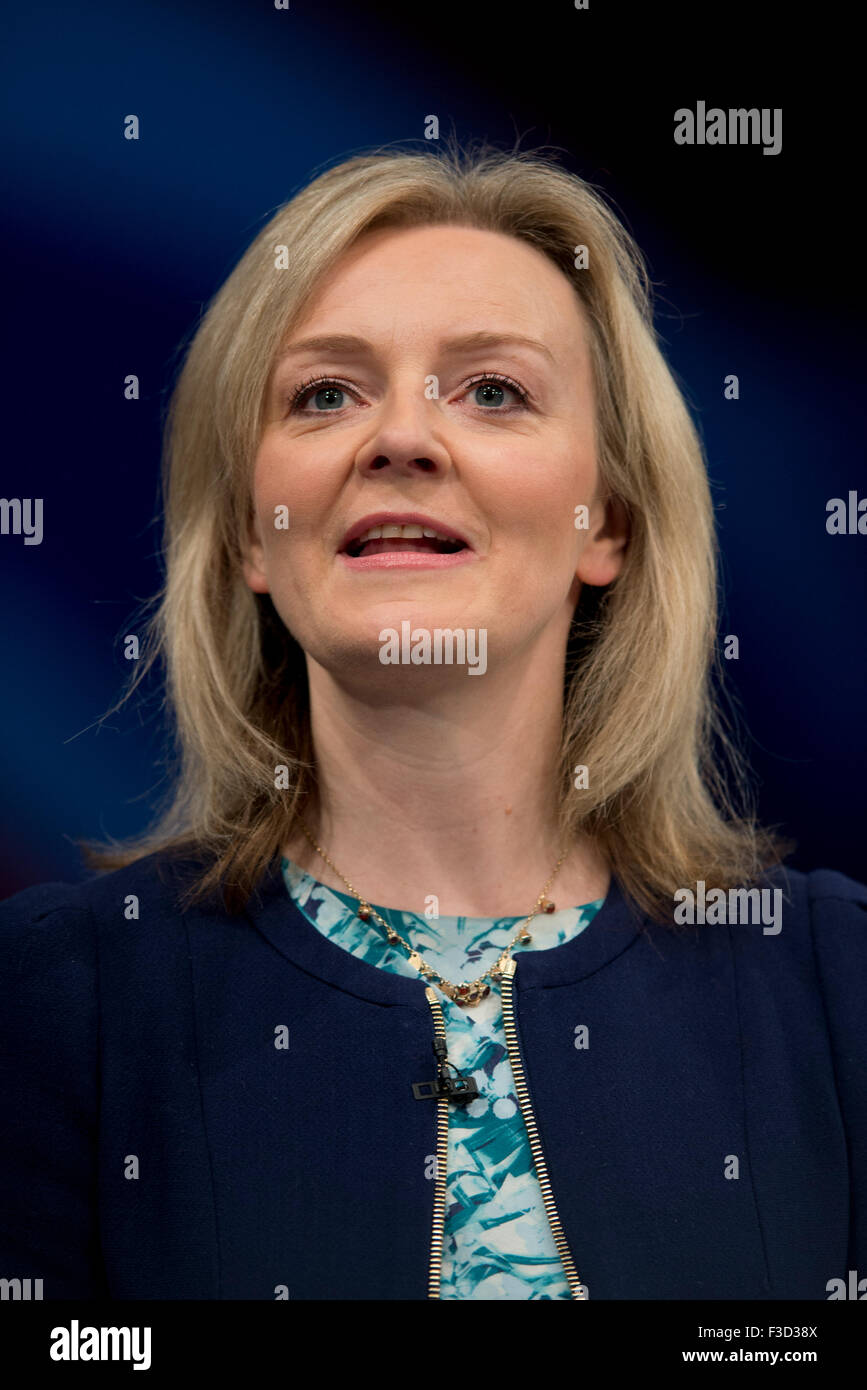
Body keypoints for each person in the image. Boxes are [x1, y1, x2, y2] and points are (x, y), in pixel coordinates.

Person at [1, 141, 864, 1302]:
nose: (400, 440)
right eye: (325, 393)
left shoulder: (831, 980)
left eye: (492, 390)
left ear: (606, 519)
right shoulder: (64, 1001)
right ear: (255, 534)